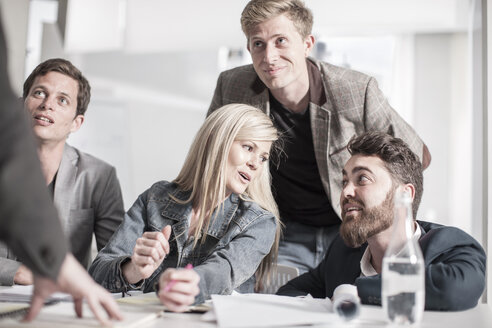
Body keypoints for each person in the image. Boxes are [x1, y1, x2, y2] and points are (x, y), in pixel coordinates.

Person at [207, 0, 431, 274]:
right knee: (279, 304)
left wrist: (391, 221)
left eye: (280, 41)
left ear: (307, 43)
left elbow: (417, 157)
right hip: (282, 232)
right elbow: (210, 159)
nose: (269, 56)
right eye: (258, 44)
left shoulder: (355, 90)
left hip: (351, 232)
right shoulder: (232, 86)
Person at [90, 103, 282, 312]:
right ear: (216, 142)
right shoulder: (155, 198)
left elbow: (223, 272)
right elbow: (97, 273)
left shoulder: (260, 223)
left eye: (263, 157)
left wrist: (188, 282)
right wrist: (134, 269)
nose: (256, 164)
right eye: (248, 147)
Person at [0, 12, 121, 325]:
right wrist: (20, 272)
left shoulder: (100, 177)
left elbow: (113, 259)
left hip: (61, 308)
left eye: (62, 100)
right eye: (39, 93)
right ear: (20, 102)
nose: (47, 105)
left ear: (77, 122)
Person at [277, 131, 486, 311]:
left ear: (404, 194)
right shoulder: (342, 252)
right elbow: (289, 292)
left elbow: (453, 290)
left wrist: (357, 292)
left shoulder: (450, 245)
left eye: (362, 179)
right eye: (344, 181)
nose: (346, 192)